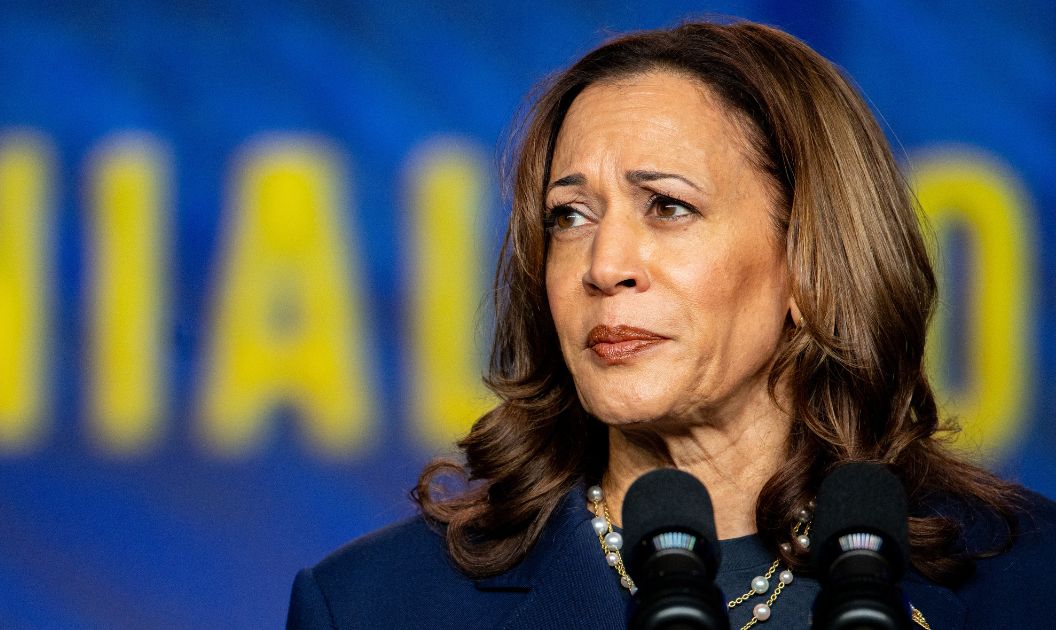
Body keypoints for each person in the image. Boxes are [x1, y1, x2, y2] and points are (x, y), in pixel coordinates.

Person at [287, 20, 1056, 629]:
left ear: (811, 257)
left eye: (668, 206)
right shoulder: (373, 607)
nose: (604, 263)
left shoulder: (1027, 581)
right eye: (569, 216)